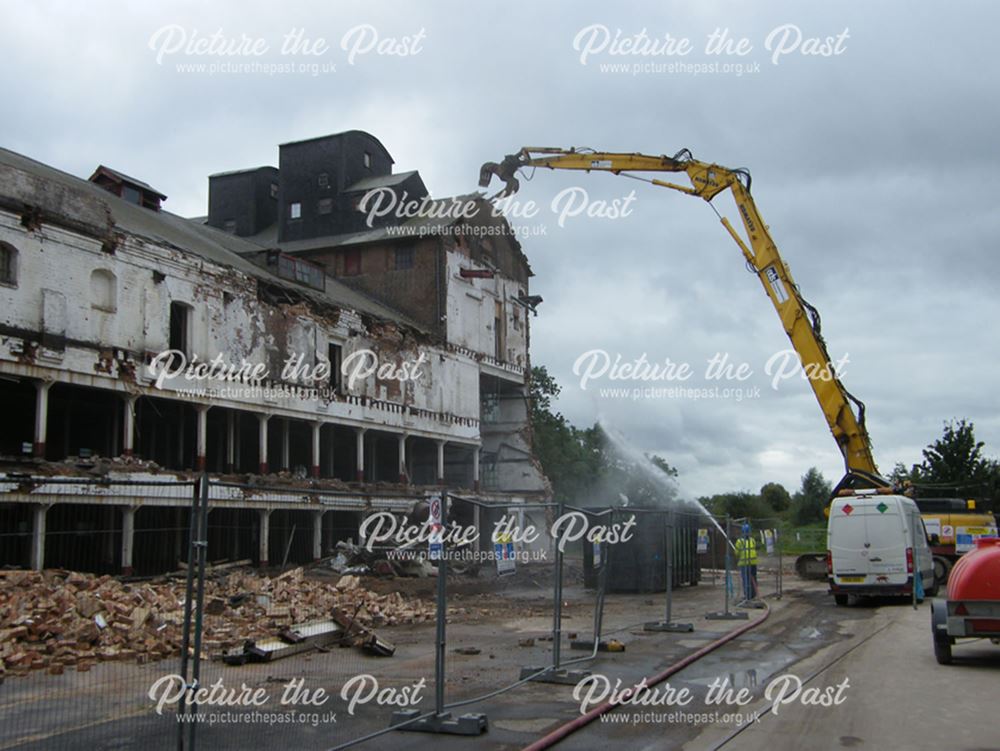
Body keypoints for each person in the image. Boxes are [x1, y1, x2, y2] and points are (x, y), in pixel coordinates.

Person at [735, 522, 758, 601]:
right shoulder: (752, 540)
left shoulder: (739, 541)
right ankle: (753, 595)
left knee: (746, 580)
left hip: (744, 563)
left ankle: (747, 596)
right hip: (753, 563)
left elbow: (736, 553)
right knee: (753, 579)